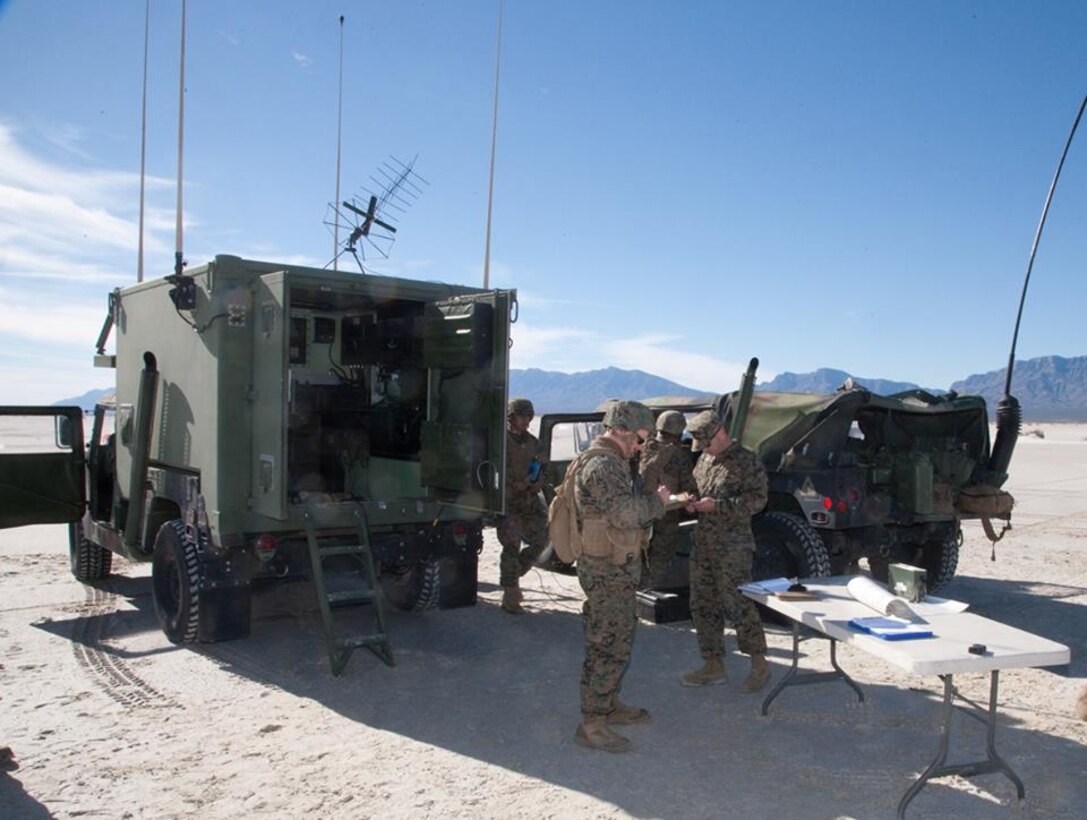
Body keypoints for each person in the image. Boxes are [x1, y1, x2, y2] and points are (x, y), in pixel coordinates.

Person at [573, 400, 671, 752]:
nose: (641, 447)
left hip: (614, 569)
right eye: (641, 439)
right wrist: (659, 502)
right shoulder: (602, 465)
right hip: (605, 573)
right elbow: (626, 515)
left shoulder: (611, 462)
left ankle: (608, 704)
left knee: (618, 640)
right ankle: (592, 722)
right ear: (623, 430)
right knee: (606, 644)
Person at [682, 405, 771, 693]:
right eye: (701, 445)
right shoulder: (706, 460)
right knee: (703, 604)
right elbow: (697, 487)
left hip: (733, 547)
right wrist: (689, 501)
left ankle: (759, 664)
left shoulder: (747, 461)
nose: (705, 449)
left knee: (738, 604)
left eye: (707, 442)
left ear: (720, 432)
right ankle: (713, 664)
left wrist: (718, 507)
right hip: (704, 544)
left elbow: (758, 501)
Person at [497, 398, 549, 615]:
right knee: (511, 546)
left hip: (529, 500)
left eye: (529, 416)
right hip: (509, 502)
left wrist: (537, 482)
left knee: (542, 539)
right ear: (511, 417)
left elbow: (541, 468)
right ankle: (510, 595)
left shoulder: (534, 443)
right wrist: (519, 484)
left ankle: (513, 574)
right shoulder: (500, 442)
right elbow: (499, 471)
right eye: (522, 416)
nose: (526, 420)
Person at [638, 410, 697, 589]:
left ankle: (637, 588)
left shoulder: (644, 449)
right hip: (666, 514)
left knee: (640, 552)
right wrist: (688, 499)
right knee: (661, 555)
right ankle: (649, 589)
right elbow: (690, 489)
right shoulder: (680, 456)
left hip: (640, 510)